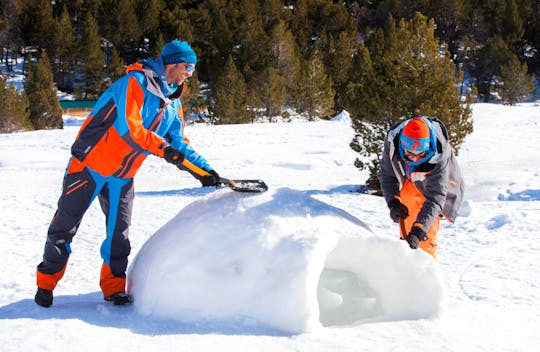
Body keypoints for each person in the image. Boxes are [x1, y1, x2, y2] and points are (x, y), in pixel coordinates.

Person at [34, 39, 221, 307]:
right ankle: (46, 284)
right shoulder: (135, 83)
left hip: (122, 176)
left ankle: (113, 289)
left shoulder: (173, 103)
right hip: (89, 166)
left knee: (119, 235)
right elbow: (129, 129)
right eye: (189, 67)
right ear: (175, 64)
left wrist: (205, 171)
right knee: (64, 227)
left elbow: (178, 144)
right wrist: (162, 148)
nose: (190, 73)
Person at [378, 116, 464, 258]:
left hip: (435, 189)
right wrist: (393, 202)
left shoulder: (440, 153)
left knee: (423, 240)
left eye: (421, 155)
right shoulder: (392, 141)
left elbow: (436, 197)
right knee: (406, 235)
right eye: (410, 154)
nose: (415, 159)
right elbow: (387, 175)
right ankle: (407, 270)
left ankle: (426, 274)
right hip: (410, 183)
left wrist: (419, 230)